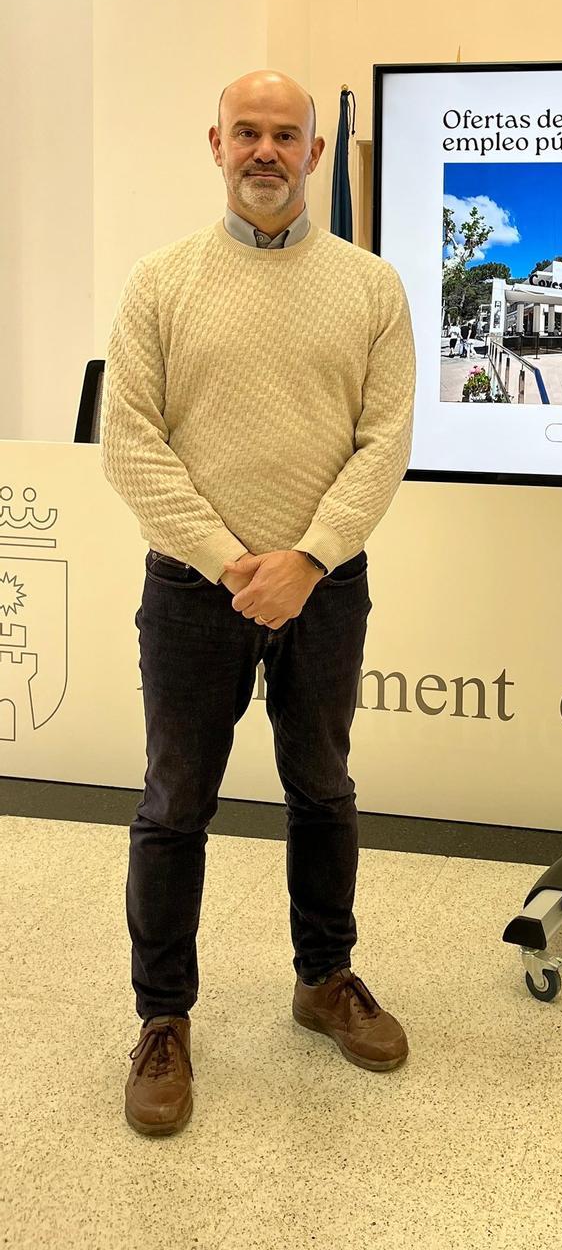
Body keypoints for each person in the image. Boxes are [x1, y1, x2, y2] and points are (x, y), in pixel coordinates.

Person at [100, 70, 416, 1138]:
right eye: (249, 132)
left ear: (316, 154)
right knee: (172, 805)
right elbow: (129, 444)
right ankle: (163, 1020)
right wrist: (237, 561)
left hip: (326, 588)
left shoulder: (372, 286)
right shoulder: (160, 283)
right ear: (216, 144)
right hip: (194, 591)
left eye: (287, 134)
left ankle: (324, 977)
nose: (267, 151)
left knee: (321, 787)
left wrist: (311, 558)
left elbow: (385, 444)